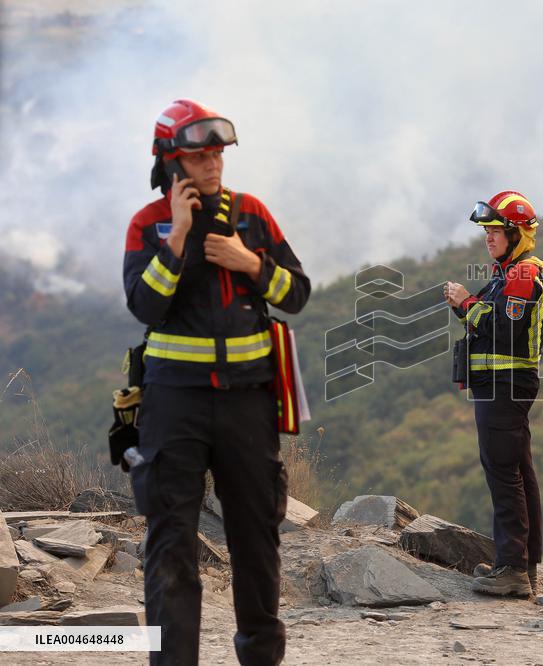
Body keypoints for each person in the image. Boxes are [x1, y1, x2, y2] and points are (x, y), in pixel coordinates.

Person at [124, 99, 311, 665]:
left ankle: (261, 657)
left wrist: (249, 263)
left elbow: (296, 294)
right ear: (171, 162)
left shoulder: (251, 215)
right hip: (172, 405)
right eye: (200, 156)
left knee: (256, 538)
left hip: (248, 403)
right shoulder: (147, 224)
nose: (213, 165)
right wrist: (177, 240)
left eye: (218, 154)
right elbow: (144, 306)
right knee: (171, 544)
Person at [444, 191, 543, 597]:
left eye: (496, 231)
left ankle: (512, 570)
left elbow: (504, 332)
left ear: (516, 235)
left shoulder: (522, 276)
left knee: (504, 473)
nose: (488, 237)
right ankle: (522, 564)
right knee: (517, 470)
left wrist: (466, 301)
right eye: (486, 231)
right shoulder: (506, 276)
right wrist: (467, 307)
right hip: (501, 385)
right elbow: (492, 324)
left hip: (504, 387)